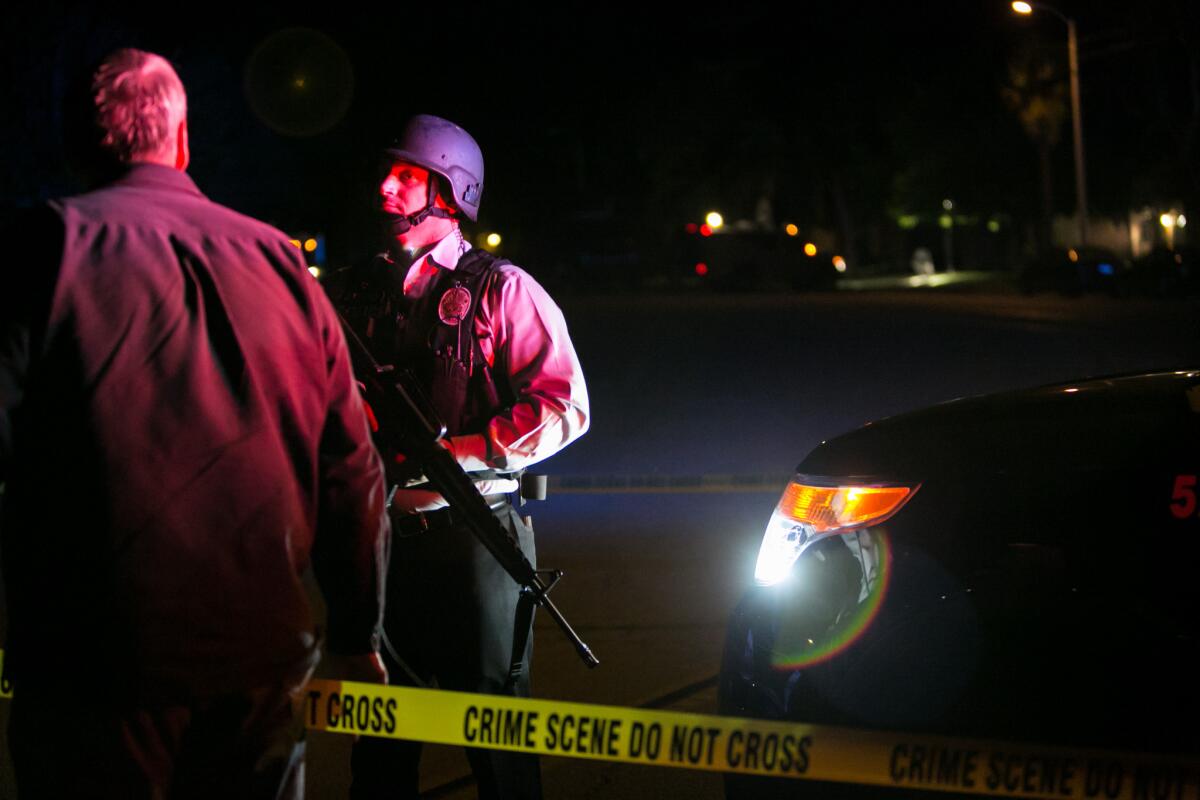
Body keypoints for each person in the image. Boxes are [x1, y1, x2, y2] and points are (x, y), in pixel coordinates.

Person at [0, 48, 390, 799]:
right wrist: (356, 629)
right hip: (262, 665)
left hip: (98, 671)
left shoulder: (45, 250)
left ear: (78, 144)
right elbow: (351, 468)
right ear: (181, 143)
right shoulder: (280, 263)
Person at [335, 114, 589, 800]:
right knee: (382, 744)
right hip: (384, 544)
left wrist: (463, 451)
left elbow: (566, 406)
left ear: (450, 192)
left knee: (496, 741)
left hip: (476, 538)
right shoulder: (353, 291)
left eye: (407, 175)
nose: (385, 187)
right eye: (387, 172)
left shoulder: (501, 288)